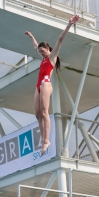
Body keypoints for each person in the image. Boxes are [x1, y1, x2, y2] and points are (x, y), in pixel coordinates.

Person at [25, 15, 79, 156]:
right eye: (40, 52)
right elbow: (36, 46)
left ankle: (46, 140)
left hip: (46, 84)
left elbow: (60, 39)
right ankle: (43, 140)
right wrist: (32, 37)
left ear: (48, 49)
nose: (41, 53)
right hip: (38, 85)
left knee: (44, 112)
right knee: (37, 115)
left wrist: (69, 25)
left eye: (43, 51)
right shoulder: (42, 57)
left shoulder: (52, 57)